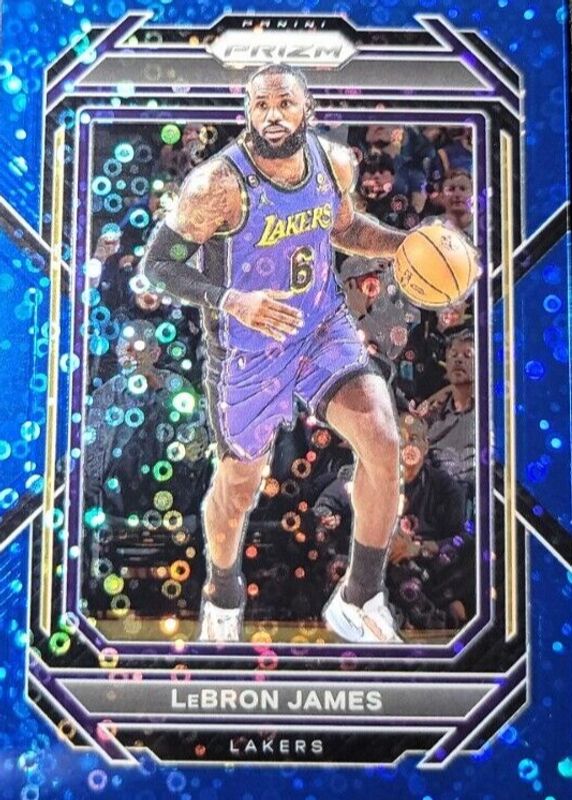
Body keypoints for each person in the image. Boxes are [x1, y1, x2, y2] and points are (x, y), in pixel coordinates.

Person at [140, 63, 411, 644]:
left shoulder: (333, 162)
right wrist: (231, 300)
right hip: (248, 349)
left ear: (306, 108)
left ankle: (361, 597)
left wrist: (404, 245)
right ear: (247, 112)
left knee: (383, 439)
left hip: (320, 327)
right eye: (260, 105)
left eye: (284, 103)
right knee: (239, 486)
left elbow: (344, 229)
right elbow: (156, 265)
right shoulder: (216, 185)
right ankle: (222, 595)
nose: (272, 115)